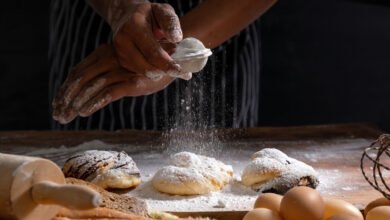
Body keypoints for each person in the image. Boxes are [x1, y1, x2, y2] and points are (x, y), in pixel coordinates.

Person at [50, 0, 277, 130]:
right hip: (100, 28)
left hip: (222, 19)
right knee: (83, 171)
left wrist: (175, 50)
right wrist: (119, 8)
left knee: (222, 177)